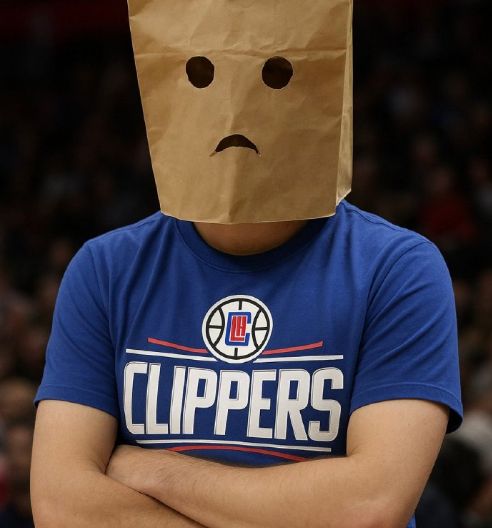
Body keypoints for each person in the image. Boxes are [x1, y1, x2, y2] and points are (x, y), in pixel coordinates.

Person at [30, 2, 462, 527]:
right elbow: (61, 506)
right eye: (201, 74)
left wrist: (155, 471)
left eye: (277, 74)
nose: (235, 112)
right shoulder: (104, 269)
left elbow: (368, 508)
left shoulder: (400, 269)